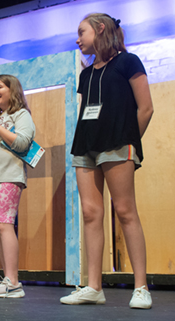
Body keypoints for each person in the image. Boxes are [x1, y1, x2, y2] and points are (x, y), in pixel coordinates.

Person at [60, 13, 153, 309]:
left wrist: (129, 140)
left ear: (100, 29)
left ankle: (141, 287)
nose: (77, 39)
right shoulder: (85, 74)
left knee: (125, 211)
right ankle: (93, 287)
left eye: (81, 32)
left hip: (117, 144)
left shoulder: (128, 61)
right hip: (85, 146)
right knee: (90, 213)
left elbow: (146, 108)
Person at [0, 74, 35, 298]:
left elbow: (22, 143)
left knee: (5, 224)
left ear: (13, 90)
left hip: (9, 176)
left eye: (0, 86)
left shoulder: (21, 115)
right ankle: (6, 279)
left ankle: (13, 282)